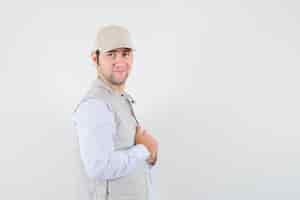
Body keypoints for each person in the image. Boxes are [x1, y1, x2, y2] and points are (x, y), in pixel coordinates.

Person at [72, 25, 159, 200]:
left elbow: (128, 159)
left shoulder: (121, 99)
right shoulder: (95, 105)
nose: (120, 62)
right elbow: (99, 167)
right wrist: (145, 149)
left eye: (125, 54)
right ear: (95, 58)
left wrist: (149, 156)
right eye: (111, 54)